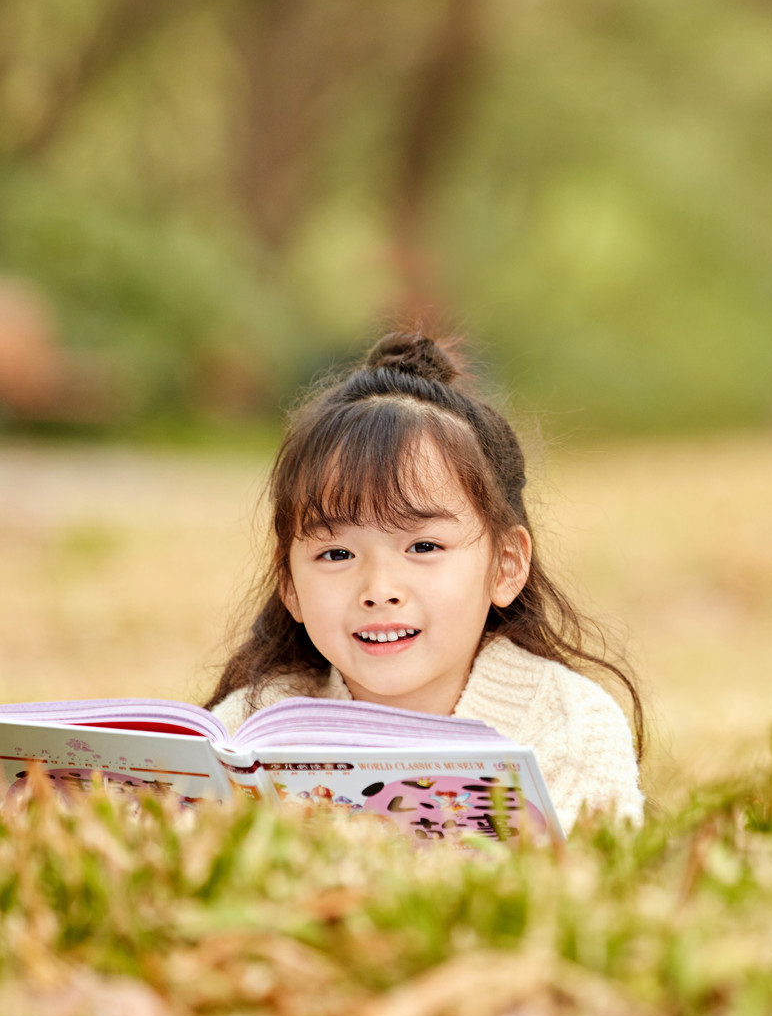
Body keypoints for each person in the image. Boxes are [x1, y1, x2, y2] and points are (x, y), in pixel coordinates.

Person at [206, 332, 644, 831]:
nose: (379, 589)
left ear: (506, 565)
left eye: (424, 547)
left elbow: (589, 882)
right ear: (290, 586)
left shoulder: (568, 725)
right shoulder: (253, 724)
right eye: (337, 553)